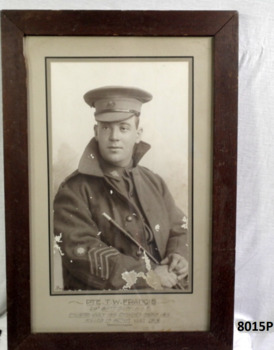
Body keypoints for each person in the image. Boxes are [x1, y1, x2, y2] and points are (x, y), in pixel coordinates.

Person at [54, 86, 189, 291]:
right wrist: (149, 275)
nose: (114, 136)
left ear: (138, 134)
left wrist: (178, 254)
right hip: (103, 308)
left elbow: (180, 228)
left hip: (165, 299)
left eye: (123, 128)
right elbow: (80, 252)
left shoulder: (154, 182)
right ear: (96, 132)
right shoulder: (74, 189)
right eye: (106, 127)